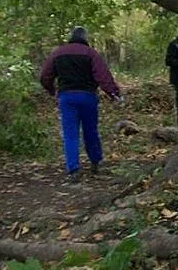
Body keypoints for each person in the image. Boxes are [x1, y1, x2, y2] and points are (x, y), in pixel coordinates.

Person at [40, 26, 122, 182]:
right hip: (87, 96)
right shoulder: (90, 53)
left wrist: (51, 89)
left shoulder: (58, 53)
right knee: (91, 130)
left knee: (70, 133)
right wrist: (113, 93)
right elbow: (102, 76)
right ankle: (96, 162)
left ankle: (73, 169)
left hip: (67, 97)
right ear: (85, 38)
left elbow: (45, 75)